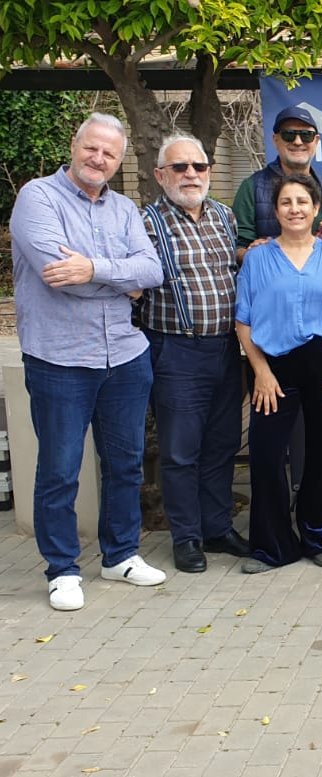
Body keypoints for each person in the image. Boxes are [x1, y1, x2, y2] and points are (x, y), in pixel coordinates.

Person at [10, 112, 167, 610]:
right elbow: (59, 274)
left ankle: (120, 555)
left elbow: (152, 271)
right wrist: (121, 281)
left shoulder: (124, 209)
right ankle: (61, 569)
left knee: (125, 464)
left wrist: (94, 268)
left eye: (109, 153)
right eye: (91, 148)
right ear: (74, 146)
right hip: (59, 358)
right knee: (59, 469)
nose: (98, 159)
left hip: (124, 353)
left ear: (119, 161)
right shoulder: (38, 197)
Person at [235, 174, 322, 572]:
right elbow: (243, 321)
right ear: (276, 211)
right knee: (267, 456)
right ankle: (272, 547)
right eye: (286, 202)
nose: (295, 209)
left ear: (316, 208)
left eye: (302, 202)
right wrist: (260, 370)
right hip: (274, 368)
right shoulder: (257, 259)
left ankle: (318, 536)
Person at [139, 134, 249, 574]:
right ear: (160, 174)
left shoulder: (224, 216)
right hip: (176, 350)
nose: (190, 174)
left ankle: (217, 528)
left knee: (222, 444)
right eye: (180, 167)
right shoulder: (146, 223)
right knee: (181, 450)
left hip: (225, 348)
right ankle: (186, 537)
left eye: (198, 167)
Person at [232, 106, 322, 260]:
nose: (297, 142)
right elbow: (236, 247)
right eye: (289, 135)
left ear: (316, 141)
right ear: (275, 140)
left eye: (306, 135)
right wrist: (254, 254)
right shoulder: (252, 187)